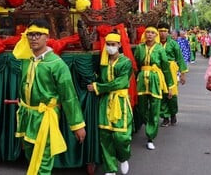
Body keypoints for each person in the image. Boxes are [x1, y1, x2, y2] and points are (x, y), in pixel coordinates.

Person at [8, 21, 86, 175]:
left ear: (47, 37)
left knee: (43, 160)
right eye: (31, 34)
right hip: (27, 115)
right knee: (31, 156)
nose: (34, 38)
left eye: (38, 34)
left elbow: (69, 96)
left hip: (46, 117)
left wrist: (77, 125)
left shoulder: (57, 64)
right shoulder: (26, 60)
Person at [87, 32, 132, 175]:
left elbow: (121, 82)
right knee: (105, 136)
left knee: (121, 136)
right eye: (108, 44)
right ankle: (110, 168)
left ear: (119, 45)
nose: (110, 47)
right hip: (105, 101)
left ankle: (123, 157)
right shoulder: (103, 62)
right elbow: (100, 78)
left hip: (120, 101)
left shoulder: (126, 62)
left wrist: (98, 87)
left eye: (113, 45)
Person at [134, 26, 172, 150]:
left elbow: (165, 67)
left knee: (155, 108)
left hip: (155, 79)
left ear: (155, 35)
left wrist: (170, 86)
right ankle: (148, 123)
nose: (150, 34)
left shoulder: (160, 49)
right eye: (148, 32)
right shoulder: (139, 48)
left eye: (152, 33)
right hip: (141, 80)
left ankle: (150, 136)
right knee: (142, 108)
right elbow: (135, 65)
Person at [158, 26, 187, 127]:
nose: (162, 33)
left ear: (168, 32)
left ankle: (173, 113)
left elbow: (179, 58)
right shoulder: (155, 44)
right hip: (159, 70)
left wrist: (183, 73)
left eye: (164, 31)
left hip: (171, 69)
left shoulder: (173, 44)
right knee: (162, 93)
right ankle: (165, 117)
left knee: (172, 94)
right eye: (160, 31)